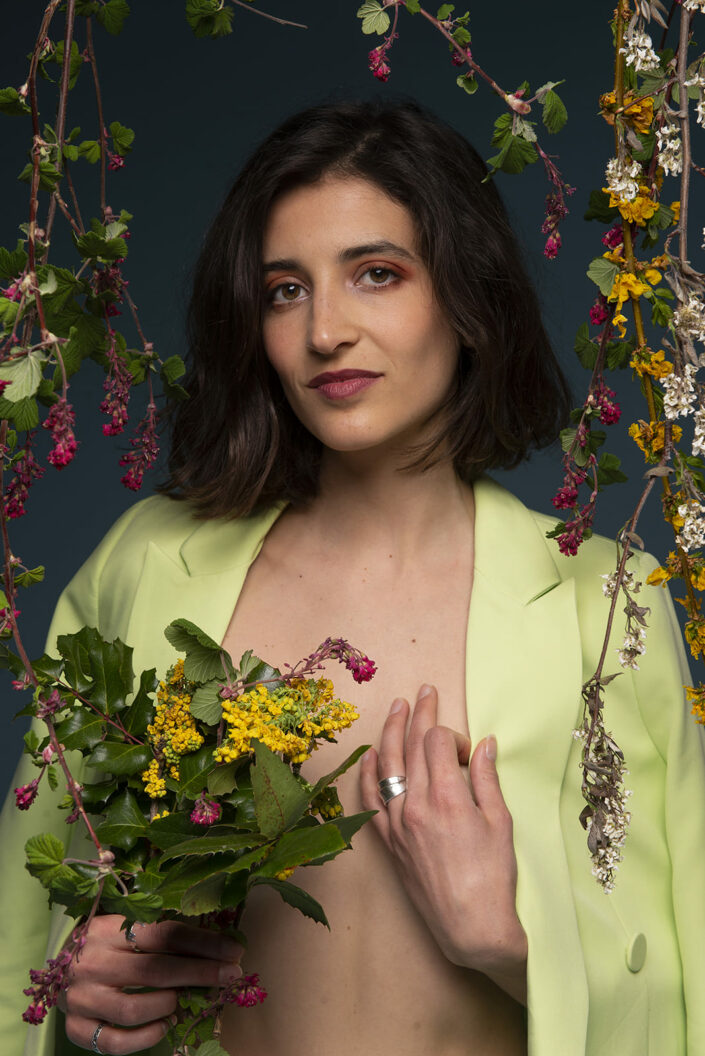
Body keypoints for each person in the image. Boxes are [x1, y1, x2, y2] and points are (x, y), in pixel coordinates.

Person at [1, 98, 704, 1056]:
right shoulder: (145, 563)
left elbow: (677, 972)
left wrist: (505, 945)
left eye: (377, 274)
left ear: (466, 293)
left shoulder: (602, 599)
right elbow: (23, 929)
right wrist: (76, 989)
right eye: (285, 289)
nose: (325, 330)